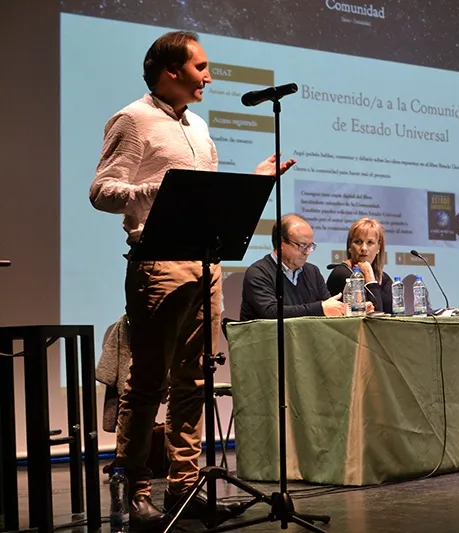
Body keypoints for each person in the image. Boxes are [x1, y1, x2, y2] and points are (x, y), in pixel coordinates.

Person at [88, 31, 295, 527]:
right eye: (200, 66)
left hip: (208, 263)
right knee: (146, 382)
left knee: (195, 380)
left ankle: (185, 486)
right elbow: (101, 190)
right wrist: (153, 190)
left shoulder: (199, 127)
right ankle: (136, 489)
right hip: (158, 264)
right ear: (170, 70)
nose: (209, 75)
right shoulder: (133, 119)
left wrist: (253, 182)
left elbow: (207, 199)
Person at [240, 214, 348, 320]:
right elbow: (271, 312)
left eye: (310, 246)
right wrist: (319, 308)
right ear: (281, 244)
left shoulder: (312, 272)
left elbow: (328, 307)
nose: (307, 252)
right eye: (302, 245)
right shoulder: (258, 273)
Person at [326, 217, 393, 312]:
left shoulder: (383, 278)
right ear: (350, 247)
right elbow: (376, 314)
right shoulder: (342, 274)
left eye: (370, 242)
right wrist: (370, 280)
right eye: (358, 242)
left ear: (378, 247)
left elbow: (392, 313)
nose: (364, 248)